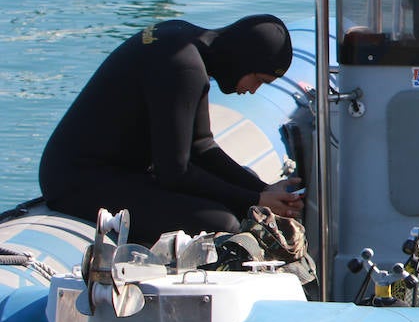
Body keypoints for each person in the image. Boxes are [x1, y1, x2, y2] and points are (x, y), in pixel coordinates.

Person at [39, 15, 304, 246]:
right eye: (258, 79)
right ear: (243, 59)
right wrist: (254, 199)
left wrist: (263, 189)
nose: (253, 90)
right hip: (79, 182)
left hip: (100, 171)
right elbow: (174, 173)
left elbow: (201, 147)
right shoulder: (183, 67)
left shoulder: (183, 41)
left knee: (228, 204)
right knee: (222, 222)